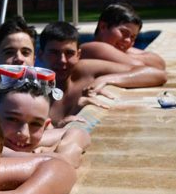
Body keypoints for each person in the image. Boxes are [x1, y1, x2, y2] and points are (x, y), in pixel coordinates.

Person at [0, 17, 90, 162]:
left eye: (25, 52)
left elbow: (77, 134)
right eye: (9, 52)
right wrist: (49, 155)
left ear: (34, 59)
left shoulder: (38, 98)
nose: (19, 59)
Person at [39, 21, 168, 126]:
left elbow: (157, 74)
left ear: (78, 55)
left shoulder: (86, 70)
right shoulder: (32, 89)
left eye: (69, 53)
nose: (62, 60)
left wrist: (107, 79)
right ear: (40, 55)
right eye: (54, 53)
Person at [0, 64, 89, 168]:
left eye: (35, 123)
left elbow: (79, 133)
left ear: (45, 126)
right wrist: (60, 155)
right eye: (13, 119)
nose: (24, 134)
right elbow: (14, 157)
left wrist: (68, 146)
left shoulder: (19, 139)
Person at [80, 2, 166, 70]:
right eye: (124, 33)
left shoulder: (119, 50)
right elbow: (138, 67)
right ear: (103, 26)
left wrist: (122, 56)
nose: (128, 41)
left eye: (133, 37)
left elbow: (160, 63)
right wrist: (124, 56)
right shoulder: (93, 48)